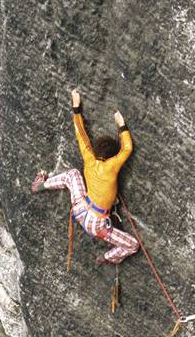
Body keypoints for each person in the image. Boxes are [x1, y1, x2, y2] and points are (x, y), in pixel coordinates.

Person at [31, 88, 140, 265]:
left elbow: (80, 134)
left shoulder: (89, 157)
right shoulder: (112, 166)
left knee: (72, 174)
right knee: (133, 245)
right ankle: (108, 257)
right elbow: (127, 148)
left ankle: (41, 185)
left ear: (97, 150)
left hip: (81, 208)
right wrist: (122, 125)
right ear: (112, 156)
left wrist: (76, 106)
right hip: (97, 225)